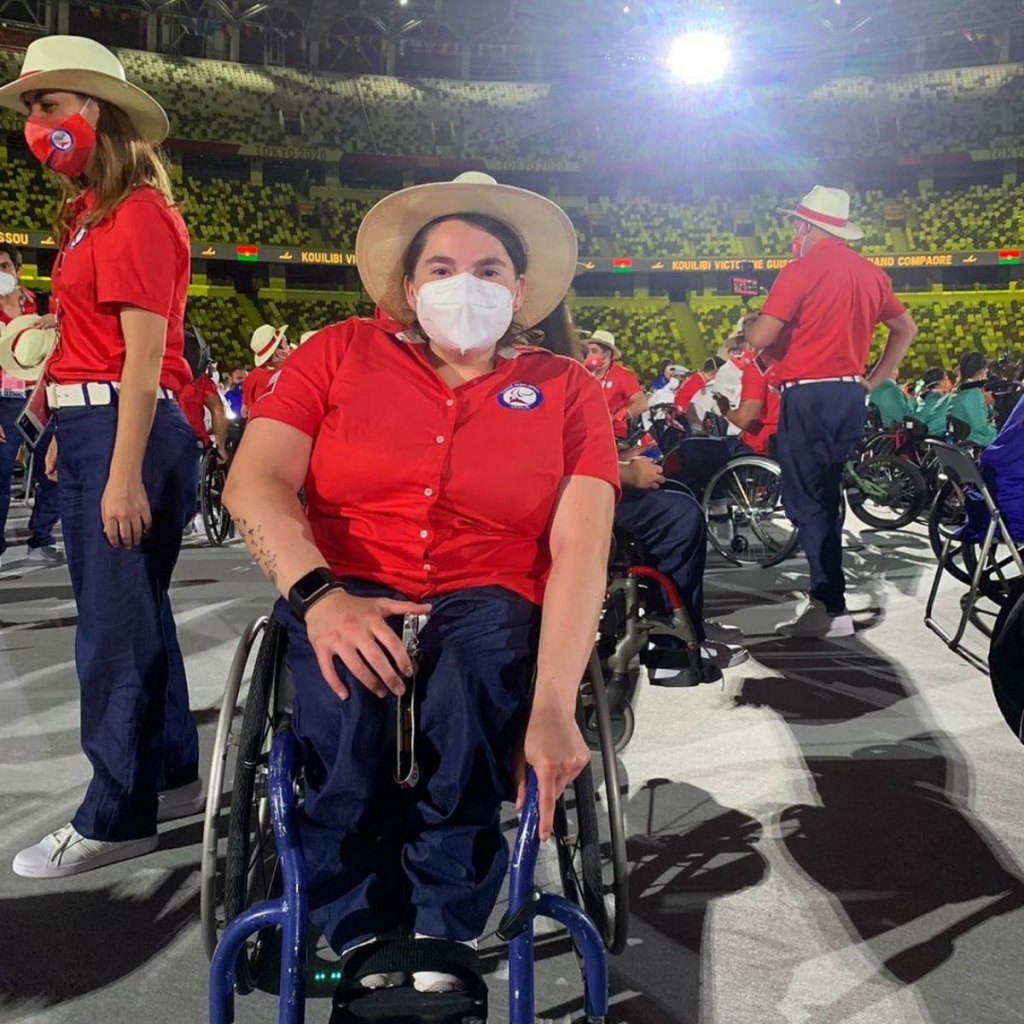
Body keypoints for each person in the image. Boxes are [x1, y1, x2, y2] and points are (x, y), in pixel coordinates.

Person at [222, 171, 618, 992]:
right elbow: (253, 481)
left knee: (474, 696)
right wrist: (319, 600)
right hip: (343, 580)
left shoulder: (568, 390)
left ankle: (444, 921)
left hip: (489, 589)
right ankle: (358, 923)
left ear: (520, 290)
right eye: (441, 268)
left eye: (488, 270)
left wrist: (552, 706)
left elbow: (581, 550)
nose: (463, 285)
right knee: (340, 708)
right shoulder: (336, 355)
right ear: (408, 288)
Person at [5, 37, 203, 879]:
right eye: (31, 110)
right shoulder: (91, 216)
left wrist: (118, 468)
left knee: (112, 634)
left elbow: (145, 357)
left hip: (130, 428)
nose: (33, 124)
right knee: (139, 617)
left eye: (48, 105)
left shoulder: (135, 217)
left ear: (98, 112)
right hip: (96, 427)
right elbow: (94, 346)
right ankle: (168, 779)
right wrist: (61, 416)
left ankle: (116, 815)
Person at [746, 186, 917, 638]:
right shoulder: (870, 272)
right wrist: (875, 379)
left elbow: (761, 336)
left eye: (794, 225)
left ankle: (828, 605)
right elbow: (905, 329)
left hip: (808, 395)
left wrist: (753, 328)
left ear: (806, 226)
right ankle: (829, 599)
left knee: (808, 502)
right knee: (827, 497)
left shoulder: (801, 268)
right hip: (848, 395)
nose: (791, 232)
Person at [0, 245, 62, 565]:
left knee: (52, 470)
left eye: (5, 266)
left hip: (40, 397)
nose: (0, 274)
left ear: (18, 270)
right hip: (2, 402)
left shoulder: (40, 304)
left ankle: (41, 538)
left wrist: (57, 322)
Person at [583, 329, 647, 438]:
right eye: (587, 351)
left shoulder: (623, 375)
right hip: (586, 430)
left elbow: (641, 404)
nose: (588, 355)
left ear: (606, 354)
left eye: (594, 351)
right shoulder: (583, 373)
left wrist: (616, 417)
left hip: (613, 435)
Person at [718, 351, 780, 456]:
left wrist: (726, 410)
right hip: (805, 434)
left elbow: (746, 420)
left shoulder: (759, 365)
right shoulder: (801, 355)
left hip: (765, 445)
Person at [947, 350, 997, 447]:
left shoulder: (959, 389)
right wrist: (1000, 432)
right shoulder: (973, 394)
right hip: (977, 440)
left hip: (963, 440)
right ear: (980, 372)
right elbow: (981, 428)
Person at [241, 324, 290, 416]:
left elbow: (244, 412)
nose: (289, 346)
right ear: (279, 353)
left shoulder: (251, 377)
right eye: (286, 342)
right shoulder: (293, 370)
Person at [674, 355, 726, 433]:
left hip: (684, 418)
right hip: (687, 422)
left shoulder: (697, 378)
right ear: (714, 372)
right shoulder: (698, 383)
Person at [914, 367, 952, 437]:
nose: (947, 380)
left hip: (919, 437)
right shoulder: (945, 399)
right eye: (945, 378)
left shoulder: (920, 398)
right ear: (939, 382)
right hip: (937, 438)